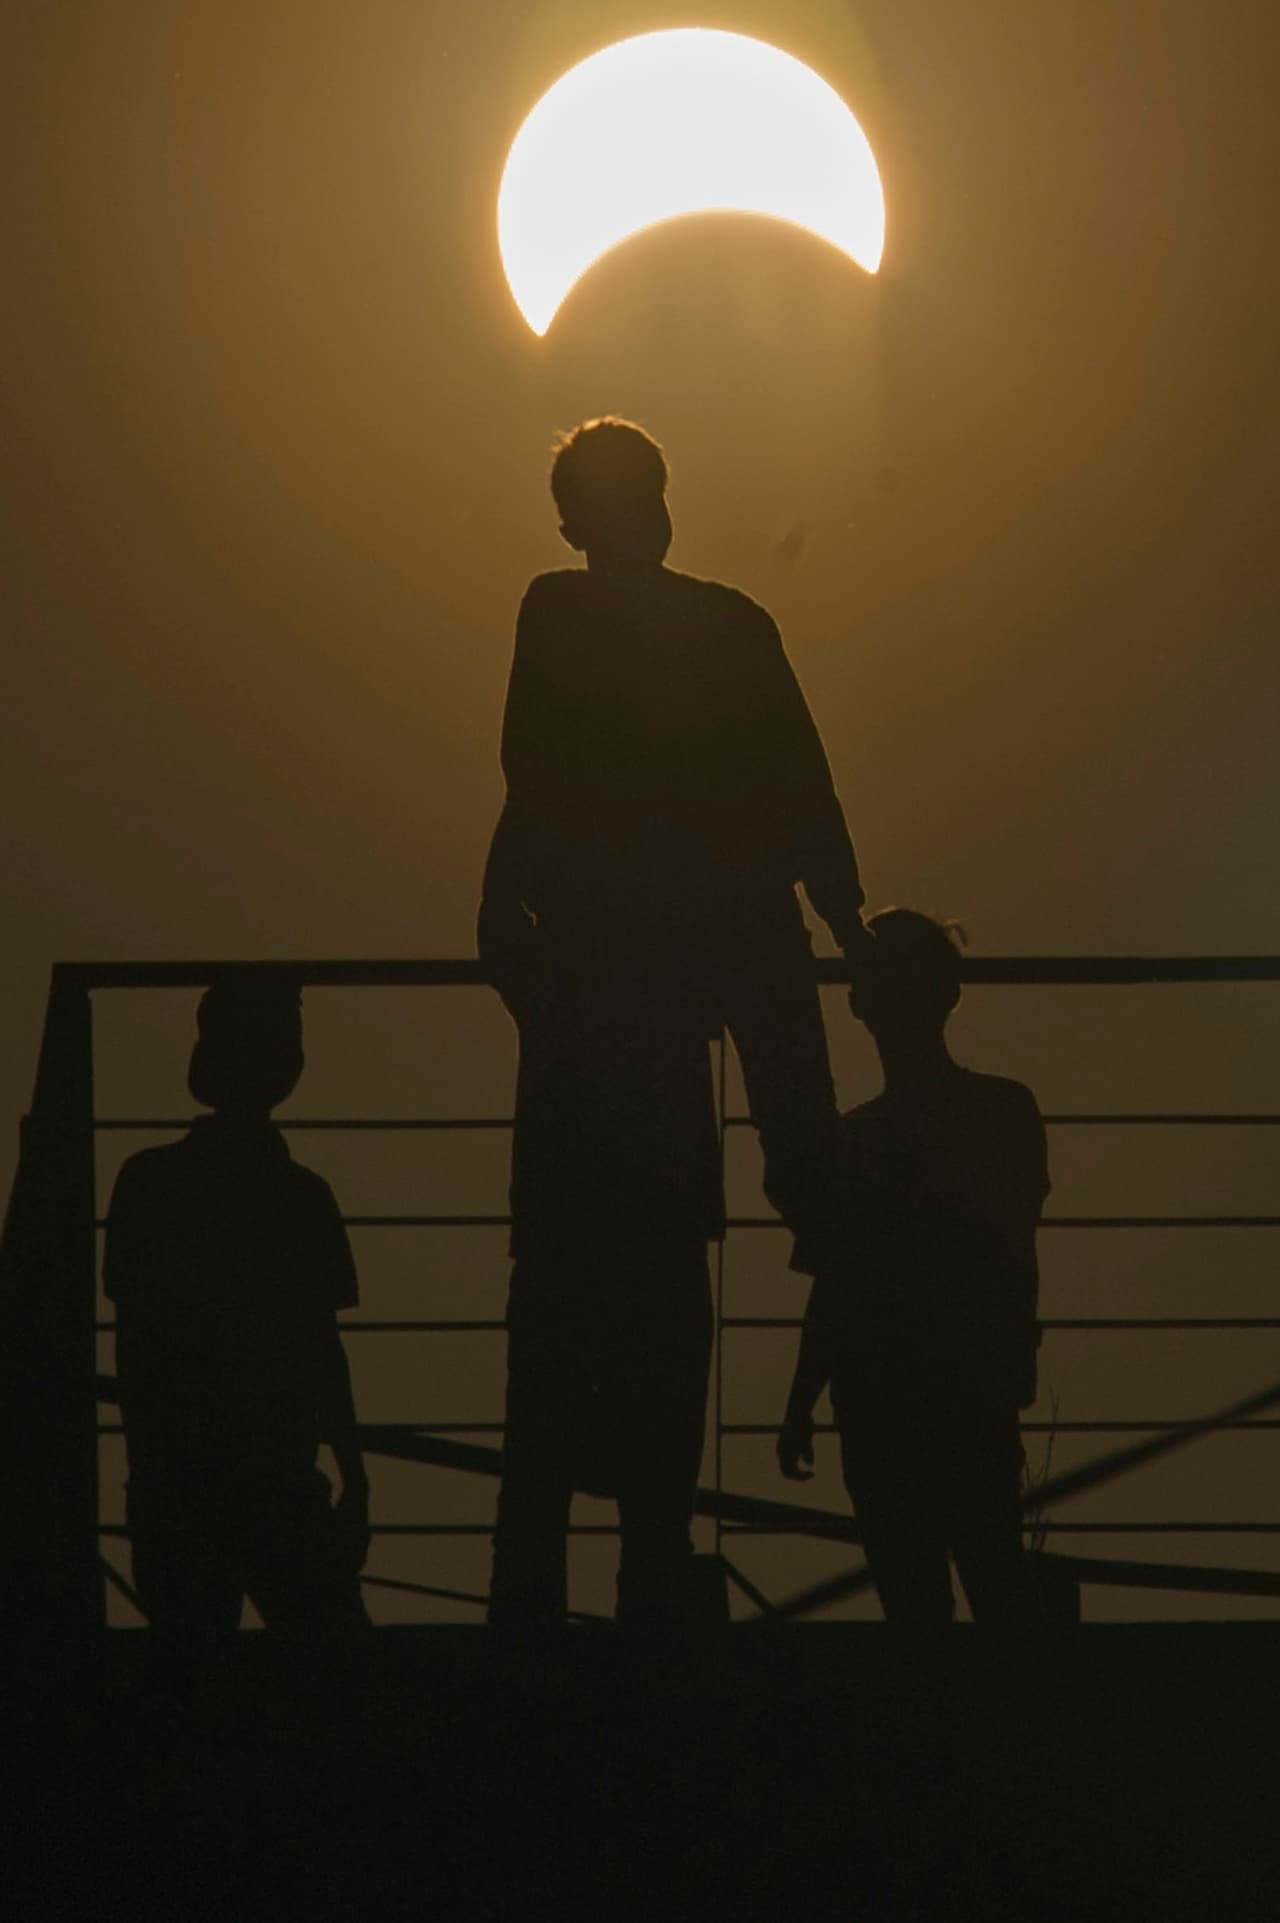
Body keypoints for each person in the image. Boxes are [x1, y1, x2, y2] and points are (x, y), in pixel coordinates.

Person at [478, 419, 867, 1627]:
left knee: (575, 1305)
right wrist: (848, 930)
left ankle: (560, 1585)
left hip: (605, 996)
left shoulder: (600, 618)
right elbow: (798, 789)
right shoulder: (716, 626)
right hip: (640, 1000)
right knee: (639, 1296)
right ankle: (633, 1567)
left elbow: (533, 780)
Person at [777, 910, 1049, 1626]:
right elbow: (1014, 1254)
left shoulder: (856, 1141)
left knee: (915, 1612)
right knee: (995, 1586)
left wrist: (802, 1397)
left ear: (862, 1003)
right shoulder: (1005, 1114)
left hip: (882, 1408)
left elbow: (834, 1285)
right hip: (969, 1393)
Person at [104, 974, 370, 1686]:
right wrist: (357, 1479)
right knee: (339, 1683)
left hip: (177, 1490)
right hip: (278, 1490)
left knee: (188, 1691)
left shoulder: (145, 1185)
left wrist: (144, 1479)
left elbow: (134, 1353)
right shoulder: (303, 1198)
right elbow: (325, 1354)